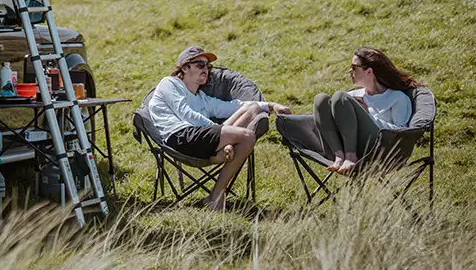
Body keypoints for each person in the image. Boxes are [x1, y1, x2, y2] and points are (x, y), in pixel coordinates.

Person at [149, 46, 290, 210]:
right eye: (200, 65)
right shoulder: (169, 83)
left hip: (200, 140)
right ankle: (217, 190)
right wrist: (221, 132)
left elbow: (234, 106)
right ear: (185, 68)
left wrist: (271, 106)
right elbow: (186, 114)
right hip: (180, 137)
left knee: (252, 109)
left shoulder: (201, 98)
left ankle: (215, 195)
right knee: (246, 136)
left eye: (208, 66)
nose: (206, 69)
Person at [314, 47, 416, 175]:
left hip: (378, 149)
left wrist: (368, 115)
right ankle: (339, 156)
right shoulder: (353, 95)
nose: (350, 71)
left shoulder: (397, 98)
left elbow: (401, 133)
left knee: (340, 97)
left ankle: (351, 157)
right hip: (346, 144)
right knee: (321, 99)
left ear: (369, 71)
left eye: (354, 67)